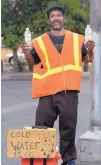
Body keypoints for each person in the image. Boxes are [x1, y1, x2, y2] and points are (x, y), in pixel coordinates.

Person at [20, 5, 95, 165]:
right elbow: (33, 62)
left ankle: (68, 160)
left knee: (68, 127)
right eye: (52, 16)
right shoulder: (38, 42)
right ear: (49, 20)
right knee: (42, 127)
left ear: (64, 19)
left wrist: (90, 50)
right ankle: (41, 159)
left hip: (69, 91)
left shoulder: (78, 39)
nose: (56, 18)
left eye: (58, 15)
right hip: (46, 91)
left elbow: (87, 60)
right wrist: (27, 52)